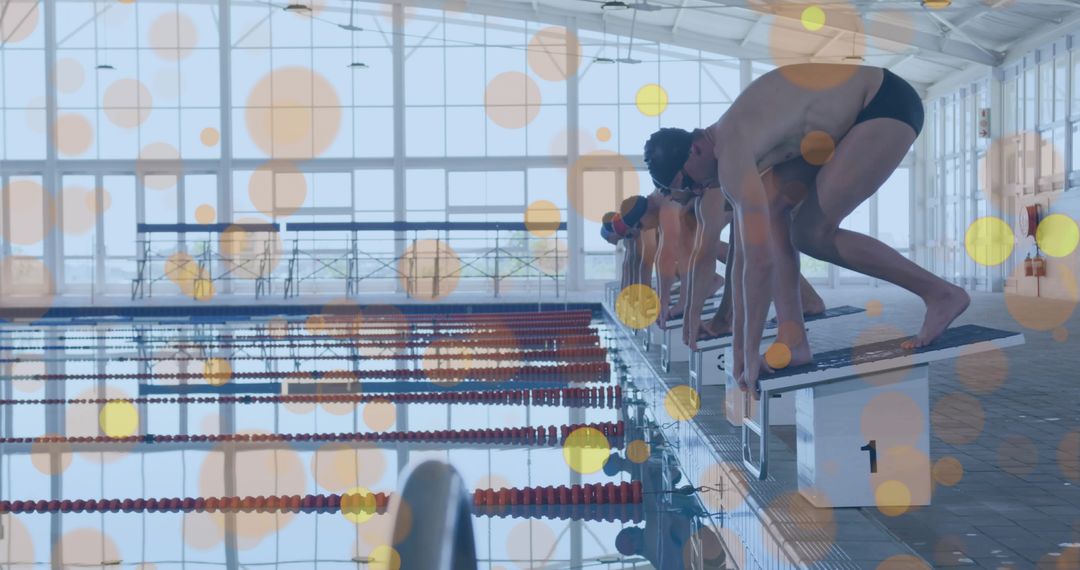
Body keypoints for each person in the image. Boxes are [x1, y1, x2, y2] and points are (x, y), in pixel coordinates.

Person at [645, 64, 969, 397]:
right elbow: (742, 261)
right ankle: (793, 339)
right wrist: (742, 351)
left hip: (882, 103)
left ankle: (939, 293)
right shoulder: (733, 146)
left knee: (812, 233)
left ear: (695, 150)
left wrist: (748, 352)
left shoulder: (730, 154)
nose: (697, 192)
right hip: (837, 125)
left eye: (688, 183)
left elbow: (759, 265)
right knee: (773, 210)